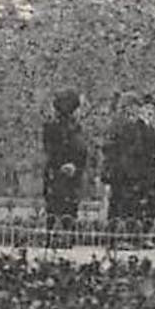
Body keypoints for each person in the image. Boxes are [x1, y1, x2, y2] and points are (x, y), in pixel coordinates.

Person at [103, 95, 155, 240]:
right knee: (121, 206)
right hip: (122, 173)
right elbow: (112, 150)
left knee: (134, 207)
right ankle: (117, 238)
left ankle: (132, 237)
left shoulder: (140, 127)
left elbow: (147, 152)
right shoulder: (119, 125)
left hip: (135, 174)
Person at [41, 90, 87, 245]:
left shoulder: (77, 127)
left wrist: (76, 165)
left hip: (72, 173)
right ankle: (51, 236)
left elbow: (81, 150)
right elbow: (50, 149)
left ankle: (68, 237)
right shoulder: (52, 126)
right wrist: (63, 164)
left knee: (70, 206)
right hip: (56, 172)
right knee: (55, 205)